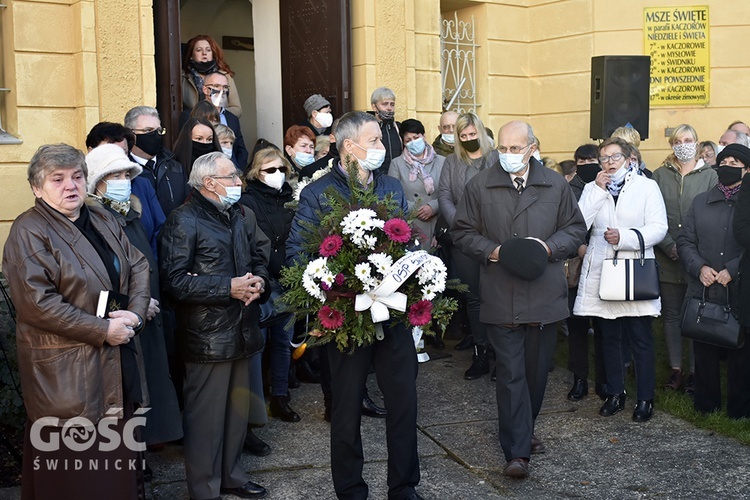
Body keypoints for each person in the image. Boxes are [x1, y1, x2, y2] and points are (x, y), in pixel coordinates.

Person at [286, 111, 422, 500]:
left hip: (392, 312)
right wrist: (342, 281)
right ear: (350, 146)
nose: (382, 147)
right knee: (346, 410)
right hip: (346, 318)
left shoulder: (391, 187)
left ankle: (404, 486)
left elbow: (406, 240)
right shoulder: (318, 193)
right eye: (375, 140)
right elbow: (299, 254)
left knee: (403, 402)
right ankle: (350, 489)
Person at [3, 144, 151, 499]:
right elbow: (37, 304)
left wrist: (135, 312)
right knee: (75, 470)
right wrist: (103, 330)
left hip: (115, 357)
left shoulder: (100, 217)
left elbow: (139, 265)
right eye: (58, 179)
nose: (71, 186)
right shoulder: (29, 231)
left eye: (77, 176)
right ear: (37, 188)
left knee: (114, 462)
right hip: (67, 371)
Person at [451, 120, 586, 479]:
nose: (509, 155)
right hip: (500, 293)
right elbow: (461, 231)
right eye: (503, 149)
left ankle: (524, 428)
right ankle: (517, 451)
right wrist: (493, 251)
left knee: (536, 373)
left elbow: (575, 229)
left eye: (516, 149)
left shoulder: (556, 184)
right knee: (511, 373)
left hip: (544, 294)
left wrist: (548, 247)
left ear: (531, 148)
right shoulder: (480, 184)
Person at [159, 152, 270, 500]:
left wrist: (259, 284)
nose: (239, 183)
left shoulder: (237, 214)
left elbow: (258, 257)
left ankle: (232, 477)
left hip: (242, 327)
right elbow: (173, 281)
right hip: (208, 336)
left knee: (237, 412)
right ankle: (204, 489)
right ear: (209, 183)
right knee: (206, 418)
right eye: (232, 178)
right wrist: (228, 287)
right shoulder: (184, 220)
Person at [85, 144, 183, 449]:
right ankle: (133, 453)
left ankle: (150, 442)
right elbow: (101, 275)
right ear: (97, 181)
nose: (123, 180)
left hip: (149, 311)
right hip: (122, 318)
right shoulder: (94, 220)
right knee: (127, 388)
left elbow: (142, 260)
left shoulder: (131, 212)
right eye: (114, 174)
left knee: (153, 378)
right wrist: (133, 305)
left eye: (126, 173)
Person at [574, 137, 668, 423]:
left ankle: (645, 398)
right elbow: (579, 223)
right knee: (609, 337)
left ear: (629, 159)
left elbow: (659, 227)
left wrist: (626, 238)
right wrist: (598, 192)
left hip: (634, 270)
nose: (609, 163)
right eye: (604, 158)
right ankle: (615, 393)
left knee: (640, 338)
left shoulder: (647, 187)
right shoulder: (592, 188)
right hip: (604, 271)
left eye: (615, 157)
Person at [679, 143, 750, 419]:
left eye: (736, 163)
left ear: (746, 170)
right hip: (705, 288)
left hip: (739, 287)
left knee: (741, 353)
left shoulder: (746, 203)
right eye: (725, 161)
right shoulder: (700, 201)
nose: (728, 167)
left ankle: (739, 410)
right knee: (705, 347)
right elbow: (685, 240)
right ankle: (706, 405)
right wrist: (699, 267)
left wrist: (733, 269)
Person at [652, 124, 718, 394]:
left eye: (688, 139)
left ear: (698, 143)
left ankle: (694, 372)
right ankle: (676, 369)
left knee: (696, 315)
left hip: (697, 259)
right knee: (671, 315)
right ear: (671, 144)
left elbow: (711, 218)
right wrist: (670, 246)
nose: (683, 144)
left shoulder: (711, 176)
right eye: (678, 140)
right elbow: (654, 215)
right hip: (667, 256)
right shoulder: (659, 175)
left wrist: (691, 251)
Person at [239, 148, 300, 423]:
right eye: (269, 170)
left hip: (289, 278)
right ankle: (256, 401)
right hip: (264, 279)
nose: (277, 175)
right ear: (256, 173)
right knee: (260, 342)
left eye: (280, 169)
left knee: (283, 343)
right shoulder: (247, 200)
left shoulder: (292, 197)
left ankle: (280, 396)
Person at [437, 112, 498, 377]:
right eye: (464, 136)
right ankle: (480, 353)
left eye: (473, 134)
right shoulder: (452, 161)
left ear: (481, 133)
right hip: (464, 237)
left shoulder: (495, 158)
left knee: (497, 295)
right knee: (474, 297)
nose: (469, 139)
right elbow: (444, 195)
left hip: (495, 235)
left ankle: (501, 355)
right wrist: (460, 224)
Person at [564, 144, 607, 401]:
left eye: (592, 159)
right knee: (577, 326)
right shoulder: (568, 190)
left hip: (603, 263)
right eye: (583, 160)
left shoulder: (609, 186)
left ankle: (603, 379)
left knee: (603, 326)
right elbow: (564, 224)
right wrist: (579, 246)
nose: (588, 163)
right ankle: (579, 378)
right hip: (577, 265)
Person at [85, 121, 166, 259]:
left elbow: (160, 232)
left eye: (123, 152)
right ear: (91, 152)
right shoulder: (78, 196)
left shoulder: (142, 185)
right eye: (110, 152)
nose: (117, 157)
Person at [388, 118, 445, 246]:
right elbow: (393, 196)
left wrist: (433, 207)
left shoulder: (442, 162)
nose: (413, 142)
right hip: (411, 226)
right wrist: (417, 209)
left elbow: (449, 193)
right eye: (408, 140)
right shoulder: (396, 164)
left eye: (416, 137)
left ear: (423, 136)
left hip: (437, 226)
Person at [125, 105, 190, 216]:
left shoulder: (175, 167)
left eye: (159, 130)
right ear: (132, 135)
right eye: (148, 130)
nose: (155, 135)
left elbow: (187, 204)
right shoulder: (125, 171)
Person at [181, 71, 249, 171]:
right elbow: (185, 147)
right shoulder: (189, 116)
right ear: (205, 89)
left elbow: (240, 149)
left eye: (225, 87)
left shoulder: (232, 118)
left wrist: (237, 171)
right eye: (216, 86)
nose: (221, 90)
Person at [182, 34, 242, 117]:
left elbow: (237, 109)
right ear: (191, 56)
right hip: (194, 125)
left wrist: (215, 114)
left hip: (220, 125)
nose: (204, 53)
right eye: (199, 50)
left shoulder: (225, 76)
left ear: (213, 54)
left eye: (208, 50)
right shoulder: (183, 77)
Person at [369, 86, 402, 173]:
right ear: (374, 107)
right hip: (375, 179)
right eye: (384, 104)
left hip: (397, 178)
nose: (389, 108)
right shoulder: (366, 128)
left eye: (392, 104)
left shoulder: (398, 128)